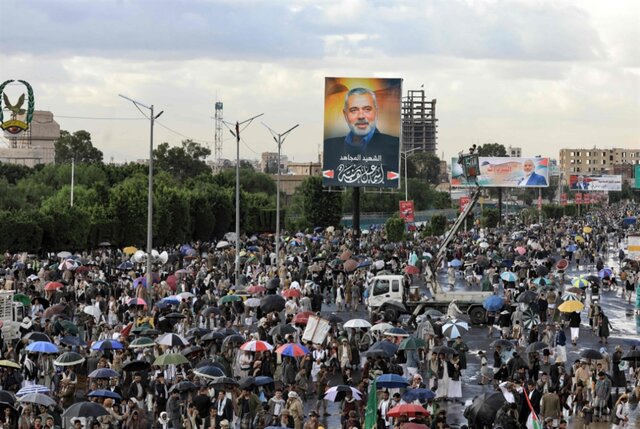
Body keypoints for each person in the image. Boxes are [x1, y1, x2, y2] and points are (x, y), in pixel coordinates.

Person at [322, 87, 400, 187]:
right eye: (354, 110)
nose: (361, 116)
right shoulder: (330, 146)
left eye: (367, 109)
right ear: (345, 115)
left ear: (376, 112)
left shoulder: (393, 144)